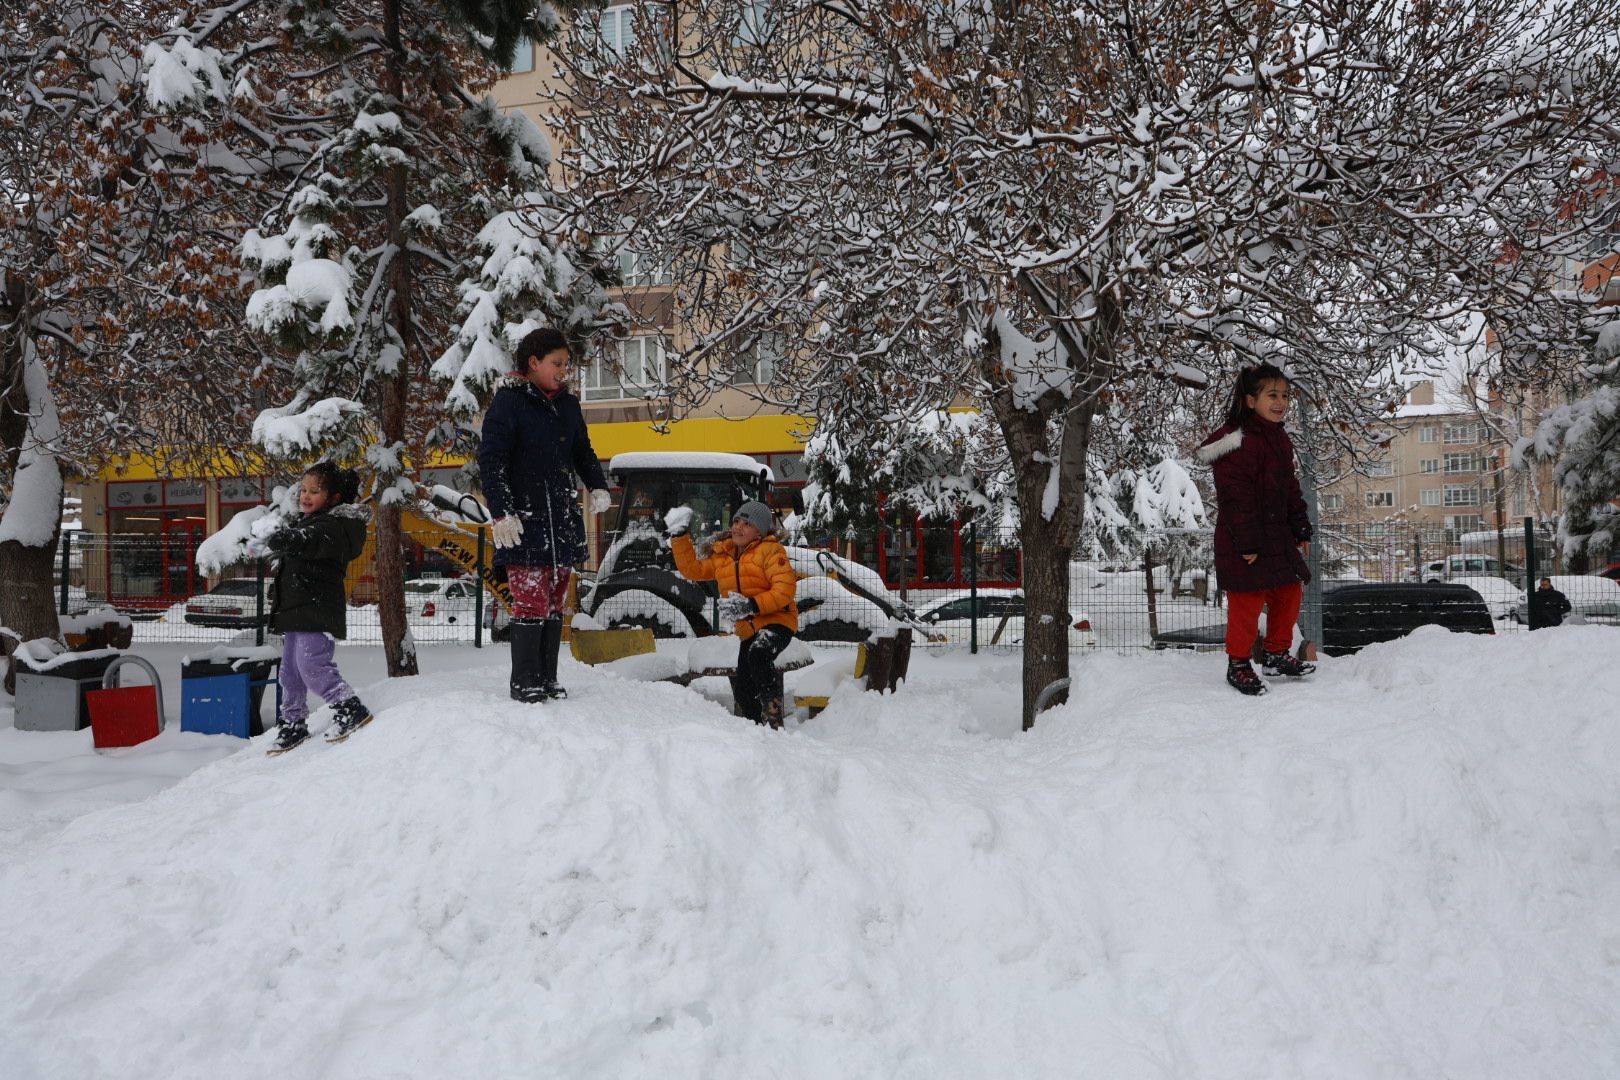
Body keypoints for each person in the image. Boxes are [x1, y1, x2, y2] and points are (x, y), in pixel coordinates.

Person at [478, 327, 612, 703]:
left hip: (561, 522)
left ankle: (547, 677)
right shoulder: (509, 402)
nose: (563, 370)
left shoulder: (567, 405)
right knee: (530, 600)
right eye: (557, 363)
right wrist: (501, 512)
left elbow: (582, 451)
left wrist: (597, 484)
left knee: (555, 601)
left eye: (566, 364)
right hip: (525, 521)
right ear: (533, 363)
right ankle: (525, 681)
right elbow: (492, 460)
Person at [1196, 363, 1316, 696]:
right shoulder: (1237, 441)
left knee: (1289, 592)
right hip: (1243, 539)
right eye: (1272, 395)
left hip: (1276, 537)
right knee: (1246, 604)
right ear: (1251, 401)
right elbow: (1235, 497)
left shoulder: (1279, 439)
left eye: (1285, 396)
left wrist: (1301, 528)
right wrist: (1246, 543)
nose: (1281, 402)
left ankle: (1277, 654)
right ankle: (1238, 665)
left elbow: (1289, 487)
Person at [265, 462, 372, 754]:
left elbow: (307, 543)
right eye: (303, 490)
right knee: (289, 671)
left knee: (312, 665)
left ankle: (348, 707)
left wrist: (284, 538)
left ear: (334, 498)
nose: (305, 496)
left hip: (318, 610)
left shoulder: (334, 527)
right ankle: (293, 722)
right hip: (298, 610)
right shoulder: (309, 522)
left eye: (315, 491)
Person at [666, 499, 799, 728]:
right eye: (736, 520)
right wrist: (679, 535)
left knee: (759, 654)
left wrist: (752, 605)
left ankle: (773, 716)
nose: (738, 527)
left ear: (759, 530)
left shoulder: (769, 551)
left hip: (778, 621)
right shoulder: (723, 554)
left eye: (746, 523)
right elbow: (693, 570)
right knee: (743, 688)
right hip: (748, 629)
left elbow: (784, 589)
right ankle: (755, 727)